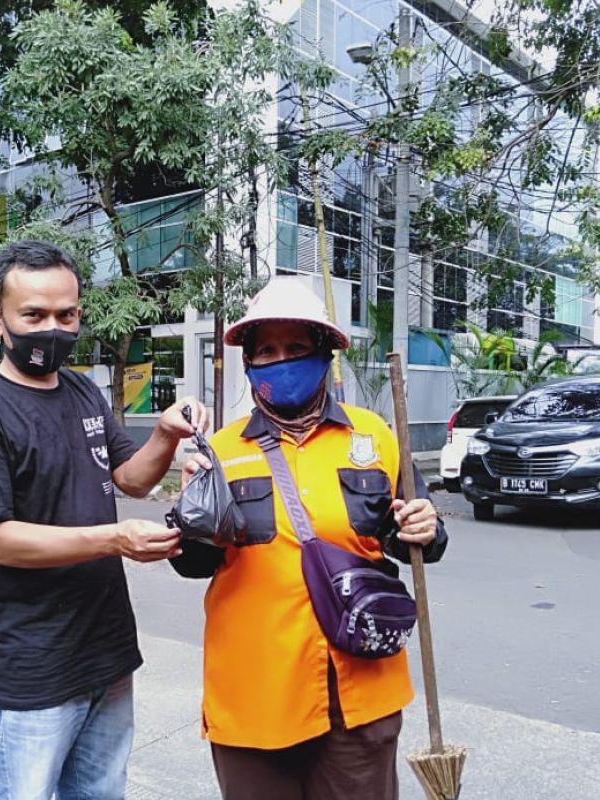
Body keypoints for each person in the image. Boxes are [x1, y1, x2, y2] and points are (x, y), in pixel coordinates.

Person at [0, 239, 208, 800]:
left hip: (105, 644)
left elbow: (129, 478)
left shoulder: (82, 390)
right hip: (33, 658)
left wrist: (164, 434)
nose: (51, 328)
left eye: (66, 314)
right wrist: (115, 538)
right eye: (33, 315)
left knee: (102, 791)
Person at [171, 278, 448, 800]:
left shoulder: (376, 438)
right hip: (257, 694)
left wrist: (425, 529)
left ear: (324, 356)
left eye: (296, 348)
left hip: (360, 689)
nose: (282, 361)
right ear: (249, 363)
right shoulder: (218, 453)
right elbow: (193, 565)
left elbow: (414, 538)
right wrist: (194, 516)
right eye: (267, 351)